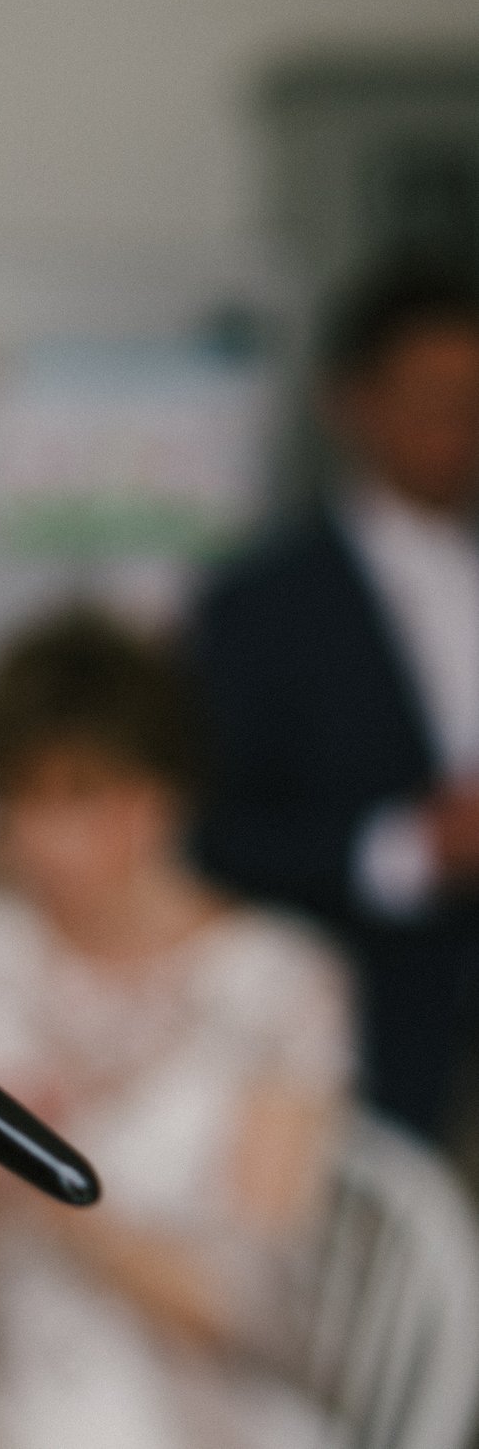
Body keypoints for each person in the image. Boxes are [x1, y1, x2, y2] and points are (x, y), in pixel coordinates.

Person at [0, 609, 352, 1449]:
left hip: (185, 1402)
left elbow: (253, 1305)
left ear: (155, 800)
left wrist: (42, 1177)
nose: (33, 839)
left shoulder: (279, 983)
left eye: (74, 797)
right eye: (13, 799)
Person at [189, 264, 479, 1141]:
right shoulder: (263, 605)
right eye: (434, 396)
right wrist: (410, 848)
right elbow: (213, 838)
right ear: (352, 402)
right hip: (371, 1035)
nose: (459, 428)